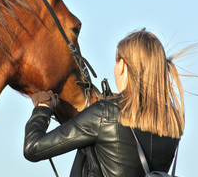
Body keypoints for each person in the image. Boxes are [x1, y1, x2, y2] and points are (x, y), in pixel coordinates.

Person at [24, 29, 184, 176]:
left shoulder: (104, 113)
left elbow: (33, 147)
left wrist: (43, 108)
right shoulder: (172, 121)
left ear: (122, 67)